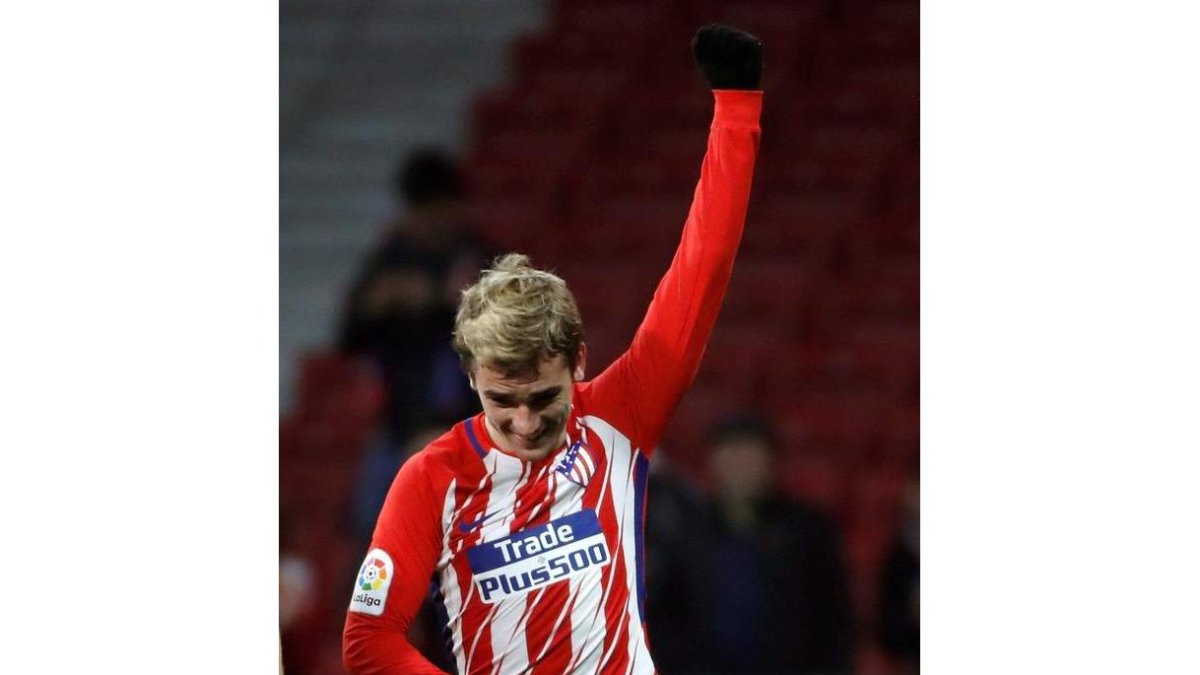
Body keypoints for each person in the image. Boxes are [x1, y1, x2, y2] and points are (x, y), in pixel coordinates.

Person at [343, 24, 764, 674]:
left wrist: (736, 111)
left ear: (579, 362)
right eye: (500, 400)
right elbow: (368, 640)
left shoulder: (622, 414)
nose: (524, 421)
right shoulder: (431, 478)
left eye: (543, 397)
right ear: (472, 377)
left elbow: (702, 267)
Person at [646, 415, 857, 674]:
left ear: (772, 463)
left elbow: (834, 616)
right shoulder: (686, 532)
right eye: (731, 457)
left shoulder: (808, 531)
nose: (741, 468)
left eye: (750, 457)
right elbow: (666, 617)